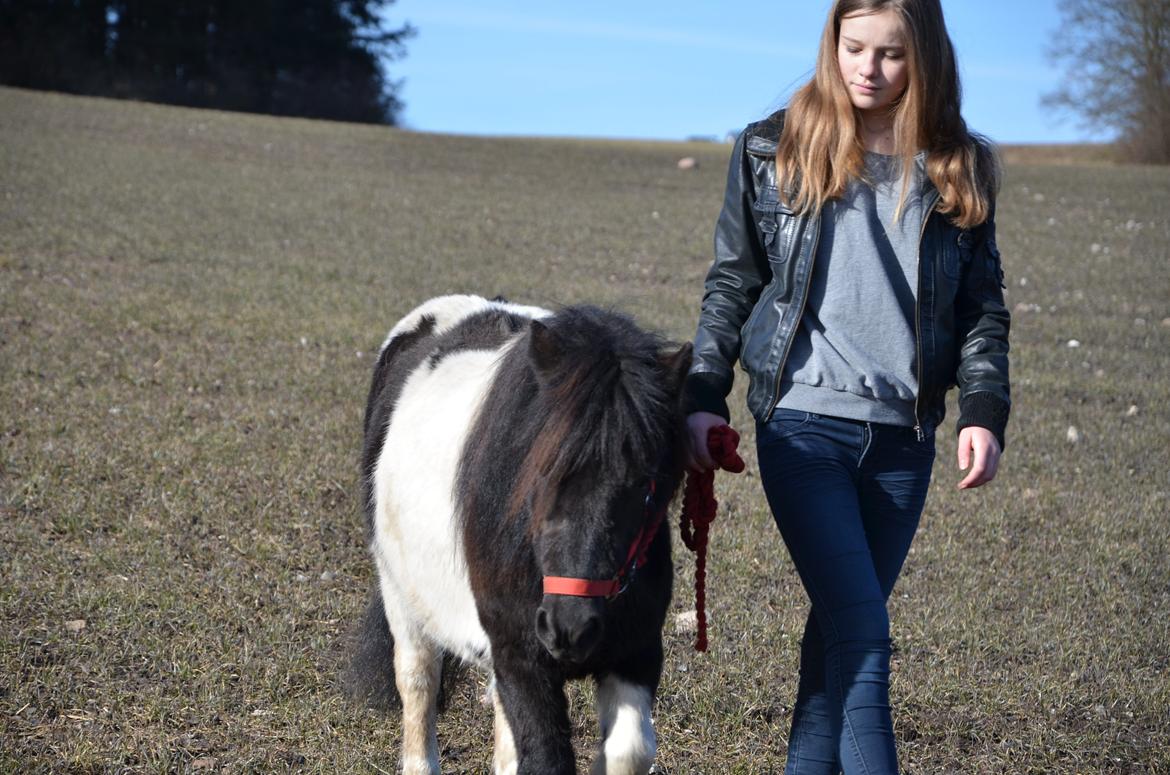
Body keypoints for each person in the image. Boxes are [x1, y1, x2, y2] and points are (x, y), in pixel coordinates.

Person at [683, 0, 1010, 772]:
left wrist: (984, 408)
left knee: (834, 640)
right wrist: (703, 394)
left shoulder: (959, 163)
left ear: (922, 55)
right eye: (853, 47)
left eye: (891, 53)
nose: (868, 68)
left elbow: (981, 307)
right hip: (803, 427)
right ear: (833, 42)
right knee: (862, 637)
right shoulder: (774, 147)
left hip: (904, 442)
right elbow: (733, 283)